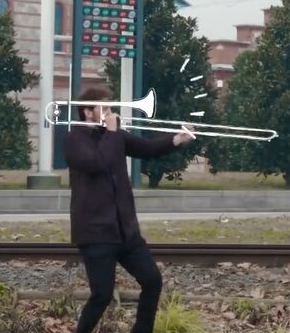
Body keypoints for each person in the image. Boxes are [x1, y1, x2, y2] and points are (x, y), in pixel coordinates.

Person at [64, 87, 196, 333]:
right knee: (101, 295)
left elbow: (146, 149)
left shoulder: (115, 136)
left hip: (125, 231)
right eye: (104, 108)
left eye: (110, 107)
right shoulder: (74, 139)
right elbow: (97, 163)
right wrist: (113, 132)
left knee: (152, 281)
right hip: (96, 233)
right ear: (87, 112)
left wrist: (176, 139)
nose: (110, 112)